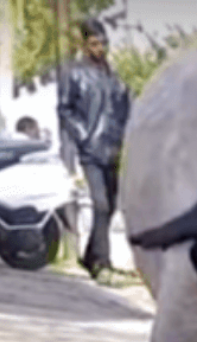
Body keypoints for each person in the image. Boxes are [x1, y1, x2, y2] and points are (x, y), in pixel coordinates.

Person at [58, 17, 131, 283]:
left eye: (103, 43)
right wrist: (83, 137)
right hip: (91, 150)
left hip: (114, 147)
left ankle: (91, 256)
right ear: (85, 44)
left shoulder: (114, 77)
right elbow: (64, 110)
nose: (99, 48)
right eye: (94, 43)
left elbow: (125, 108)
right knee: (100, 203)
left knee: (110, 206)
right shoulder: (74, 72)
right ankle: (101, 262)